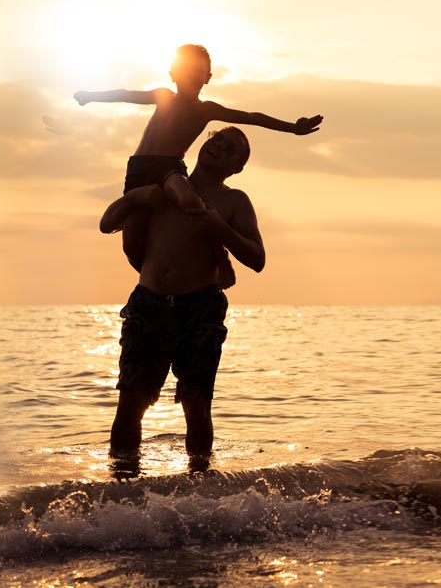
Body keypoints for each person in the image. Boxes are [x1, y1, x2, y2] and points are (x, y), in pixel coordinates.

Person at [76, 44, 319, 288]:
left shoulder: (205, 110)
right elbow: (124, 93)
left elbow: (251, 117)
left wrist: (292, 128)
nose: (190, 74)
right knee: (131, 243)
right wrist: (91, 96)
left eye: (197, 70)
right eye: (184, 68)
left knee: (190, 202)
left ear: (208, 78)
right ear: (172, 72)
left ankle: (220, 257)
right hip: (139, 171)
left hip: (169, 168)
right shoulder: (162, 96)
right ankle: (155, 283)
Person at [98, 127, 265, 479]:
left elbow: (257, 258)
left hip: (200, 307)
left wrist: (222, 229)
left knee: (196, 404)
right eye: (218, 139)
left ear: (237, 167)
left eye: (232, 148)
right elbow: (106, 223)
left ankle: (199, 488)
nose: (220, 146)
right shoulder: (167, 183)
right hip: (149, 303)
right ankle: (122, 492)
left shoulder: (234, 200)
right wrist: (136, 197)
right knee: (130, 404)